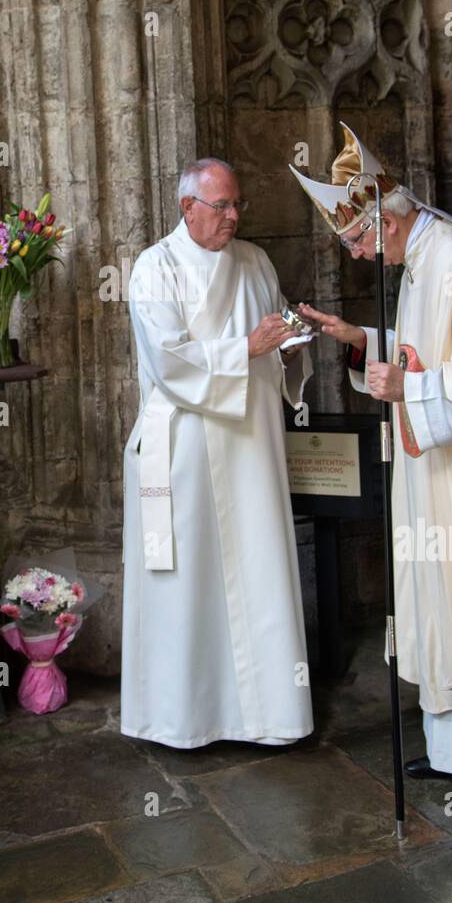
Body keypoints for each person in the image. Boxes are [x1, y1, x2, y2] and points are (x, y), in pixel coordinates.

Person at [292, 124, 452, 813]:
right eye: (354, 246)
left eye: (362, 241)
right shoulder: (419, 257)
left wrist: (411, 392)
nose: (363, 253)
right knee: (437, 604)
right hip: (436, 475)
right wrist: (363, 340)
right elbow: (428, 351)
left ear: (389, 216)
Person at [121, 158, 313, 747]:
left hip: (250, 443)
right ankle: (185, 718)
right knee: (187, 583)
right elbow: (170, 362)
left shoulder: (255, 261)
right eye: (221, 206)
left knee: (258, 568)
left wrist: (291, 336)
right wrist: (246, 347)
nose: (233, 216)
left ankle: (271, 716)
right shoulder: (155, 269)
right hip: (185, 449)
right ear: (188, 208)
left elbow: (275, 338)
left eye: (237, 205)